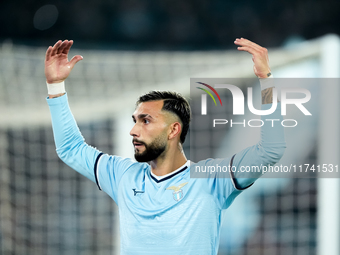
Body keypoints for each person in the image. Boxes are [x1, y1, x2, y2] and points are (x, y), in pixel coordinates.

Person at [45, 38, 286, 255]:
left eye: (146, 120)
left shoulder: (213, 179)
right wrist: (55, 87)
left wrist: (266, 80)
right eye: (135, 121)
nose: (133, 130)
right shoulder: (123, 176)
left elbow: (271, 150)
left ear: (173, 130)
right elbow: (70, 148)